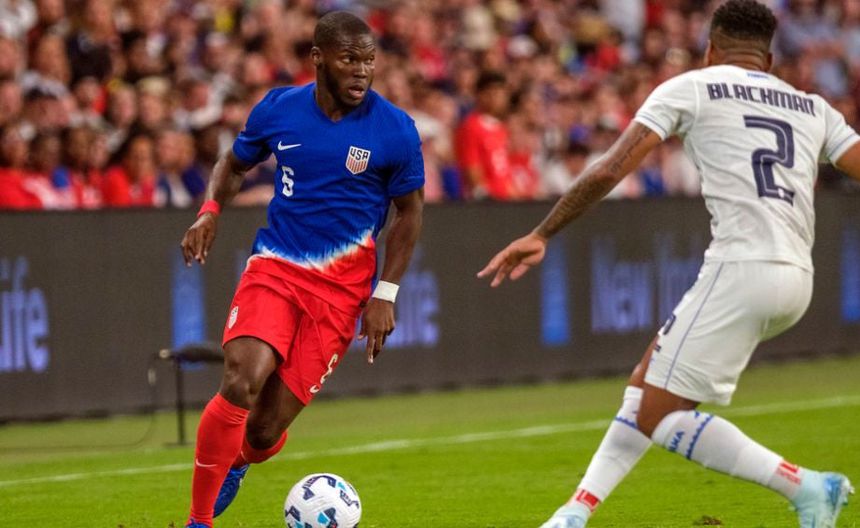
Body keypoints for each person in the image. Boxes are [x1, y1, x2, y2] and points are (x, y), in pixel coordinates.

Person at [478, 1, 857, 527]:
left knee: (658, 415)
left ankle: (807, 487)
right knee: (644, 384)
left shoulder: (692, 87)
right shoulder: (812, 107)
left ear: (710, 49)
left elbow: (610, 168)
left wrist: (543, 232)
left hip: (741, 268)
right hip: (798, 277)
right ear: (769, 60)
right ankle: (574, 513)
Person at [179, 11, 424, 528]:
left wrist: (385, 292)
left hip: (340, 294)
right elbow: (233, 163)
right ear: (318, 58)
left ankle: (238, 461)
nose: (362, 70)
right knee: (242, 377)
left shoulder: (395, 129)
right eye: (349, 59)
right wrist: (210, 210)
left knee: (263, 430)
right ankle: (199, 521)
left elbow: (410, 212)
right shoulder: (279, 109)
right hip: (276, 268)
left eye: (369, 60)